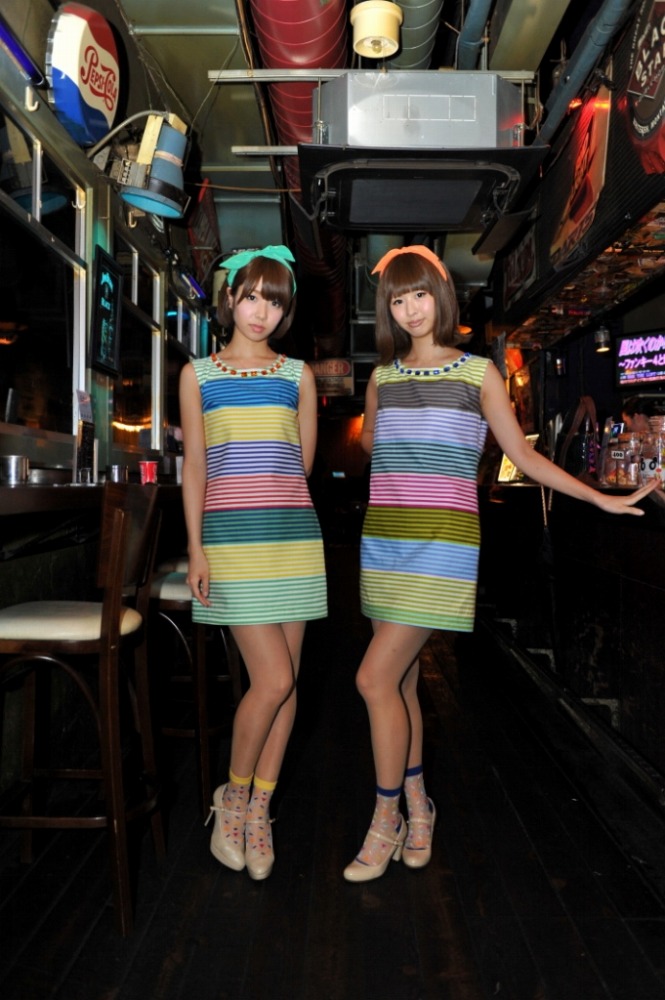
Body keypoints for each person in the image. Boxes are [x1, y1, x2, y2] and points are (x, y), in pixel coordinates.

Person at [343, 245, 657, 883]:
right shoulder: (382, 379)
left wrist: (600, 495)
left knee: (373, 680)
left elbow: (525, 456)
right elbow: (374, 442)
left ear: (441, 295)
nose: (410, 309)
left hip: (442, 545)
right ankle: (420, 807)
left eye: (420, 294)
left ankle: (385, 820)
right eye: (398, 299)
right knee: (400, 684)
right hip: (386, 541)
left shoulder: (478, 373)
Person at [179, 245, 327, 880]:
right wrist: (196, 547)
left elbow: (302, 466)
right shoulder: (197, 375)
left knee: (287, 684)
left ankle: (259, 811)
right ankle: (232, 799)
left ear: (285, 311)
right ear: (230, 300)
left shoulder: (299, 376)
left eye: (273, 301)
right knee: (271, 680)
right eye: (250, 297)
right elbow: (196, 468)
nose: (261, 311)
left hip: (292, 542)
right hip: (230, 546)